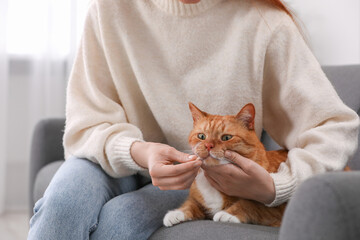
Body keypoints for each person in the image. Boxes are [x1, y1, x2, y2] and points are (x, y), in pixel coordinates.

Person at [28, 0, 359, 239]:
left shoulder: (263, 21)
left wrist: (277, 186)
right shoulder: (110, 9)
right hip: (114, 157)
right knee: (62, 205)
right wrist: (140, 152)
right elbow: (86, 121)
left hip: (201, 174)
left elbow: (334, 126)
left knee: (120, 221)